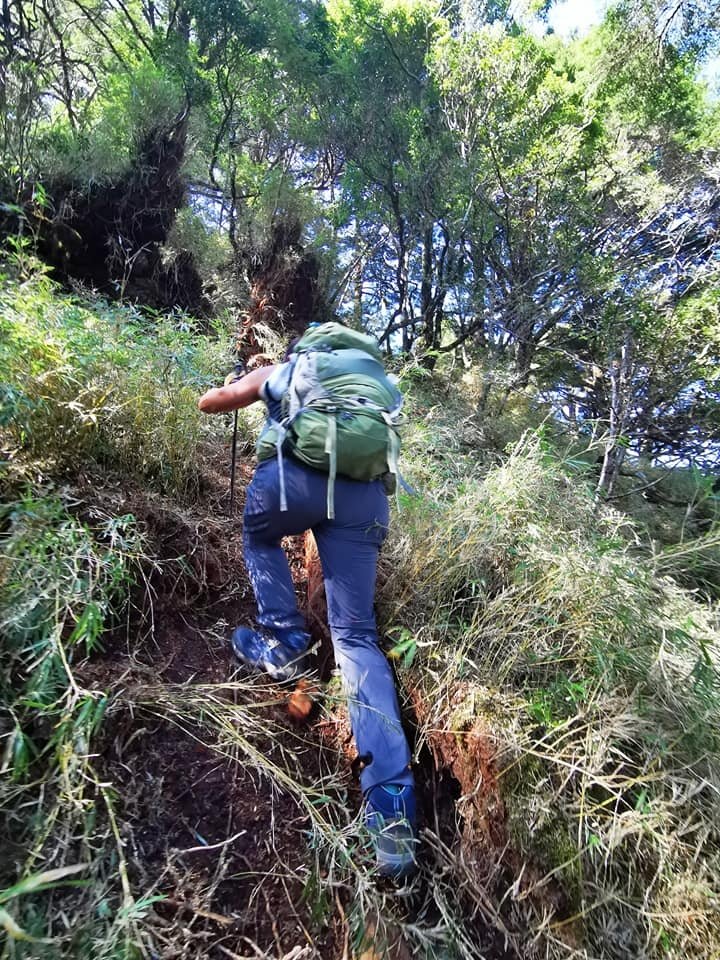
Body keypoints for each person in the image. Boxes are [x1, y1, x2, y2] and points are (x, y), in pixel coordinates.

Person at [198, 340, 417, 880]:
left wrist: (238, 381)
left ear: (308, 351)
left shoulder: (286, 369)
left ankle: (284, 638)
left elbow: (213, 401)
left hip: (292, 483)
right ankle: (392, 810)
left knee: (258, 535)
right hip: (366, 499)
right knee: (357, 636)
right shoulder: (371, 384)